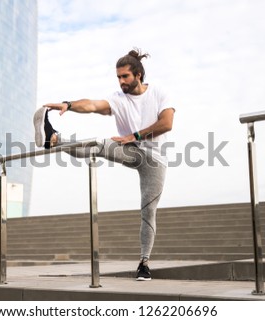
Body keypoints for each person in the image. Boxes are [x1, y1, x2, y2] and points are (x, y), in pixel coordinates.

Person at [34, 48, 175, 281]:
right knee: (97, 144)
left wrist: (135, 135)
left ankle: (144, 263)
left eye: (125, 77)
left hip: (155, 160)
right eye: (118, 77)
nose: (121, 82)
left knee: (148, 210)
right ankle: (53, 139)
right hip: (130, 150)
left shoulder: (159, 92)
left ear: (138, 75)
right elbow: (91, 105)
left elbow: (166, 123)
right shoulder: (117, 100)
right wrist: (68, 105)